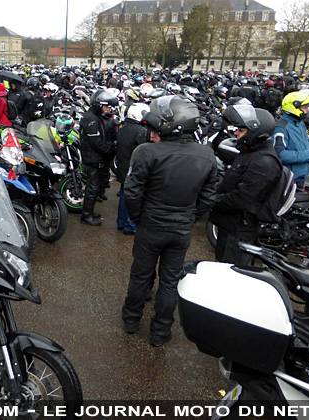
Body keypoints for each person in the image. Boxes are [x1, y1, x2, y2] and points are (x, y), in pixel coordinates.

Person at [122, 95, 217, 347]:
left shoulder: (146, 152)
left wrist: (138, 217)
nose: (152, 131)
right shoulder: (206, 154)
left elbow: (131, 191)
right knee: (169, 282)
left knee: (140, 276)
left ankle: (131, 321)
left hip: (151, 225)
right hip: (180, 227)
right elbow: (209, 195)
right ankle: (160, 332)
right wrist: (190, 216)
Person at [209, 105, 280, 265]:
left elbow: (242, 199)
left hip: (238, 230)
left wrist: (211, 199)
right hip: (230, 225)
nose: (235, 133)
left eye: (241, 130)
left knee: (228, 273)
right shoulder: (251, 152)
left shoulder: (264, 162)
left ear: (255, 132)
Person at [79, 89, 118, 226]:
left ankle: (89, 211)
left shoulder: (96, 117)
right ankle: (86, 215)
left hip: (97, 158)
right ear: (99, 104)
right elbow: (96, 142)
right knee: (93, 187)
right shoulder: (91, 119)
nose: (108, 109)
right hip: (92, 158)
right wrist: (111, 150)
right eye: (106, 106)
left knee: (96, 186)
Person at [115, 103, 150, 235]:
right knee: (134, 198)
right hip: (133, 170)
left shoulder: (123, 127)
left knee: (124, 196)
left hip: (123, 167)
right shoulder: (141, 131)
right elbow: (142, 152)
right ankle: (130, 225)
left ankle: (121, 222)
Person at [273, 91, 309, 189]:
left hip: (301, 177)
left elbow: (307, 141)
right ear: (293, 107)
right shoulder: (281, 128)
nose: (308, 110)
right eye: (305, 107)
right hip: (289, 181)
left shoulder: (300, 123)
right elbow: (280, 155)